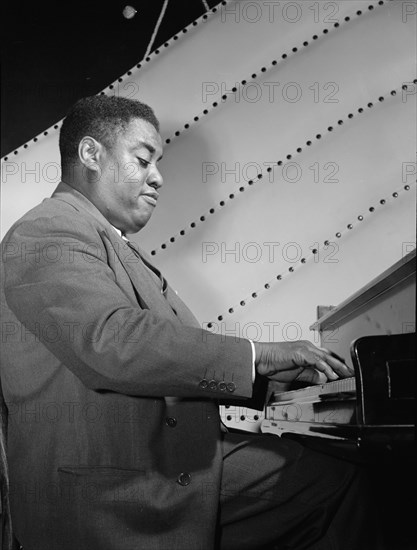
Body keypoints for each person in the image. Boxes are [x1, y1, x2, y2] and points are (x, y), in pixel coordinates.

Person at [0, 95, 381, 550]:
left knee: (327, 475)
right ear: (90, 155)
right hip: (115, 488)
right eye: (143, 160)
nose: (158, 177)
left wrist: (268, 382)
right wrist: (257, 357)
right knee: (338, 484)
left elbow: (163, 363)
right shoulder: (49, 231)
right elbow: (115, 343)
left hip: (154, 461)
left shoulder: (102, 238)